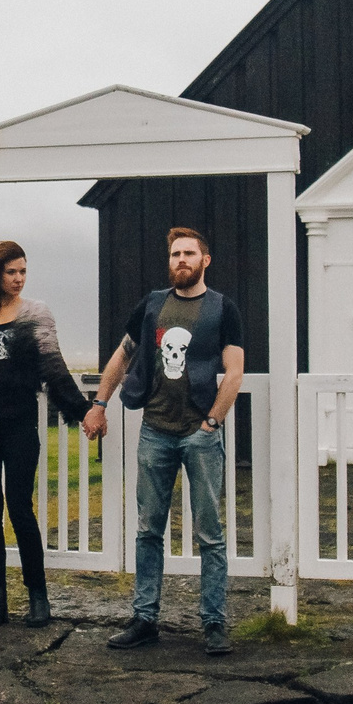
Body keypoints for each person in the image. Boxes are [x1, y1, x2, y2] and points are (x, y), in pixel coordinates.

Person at [79, 226, 247, 655]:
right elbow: (124, 354)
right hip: (154, 430)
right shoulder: (153, 304)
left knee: (210, 534)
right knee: (148, 530)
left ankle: (213, 624)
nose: (181, 260)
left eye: (189, 253)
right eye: (175, 254)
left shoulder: (222, 308)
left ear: (205, 260)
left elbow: (235, 371)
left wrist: (212, 422)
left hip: (199, 433)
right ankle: (145, 618)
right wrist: (99, 404)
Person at [0, 240, 89, 628]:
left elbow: (54, 367)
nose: (19, 278)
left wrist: (83, 412)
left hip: (19, 425)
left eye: (23, 271)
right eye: (12, 272)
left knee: (20, 509)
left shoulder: (36, 313)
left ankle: (38, 598)